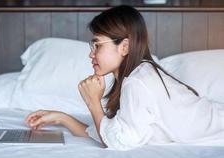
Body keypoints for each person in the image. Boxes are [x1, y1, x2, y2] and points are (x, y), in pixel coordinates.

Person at [25, 5, 224, 150]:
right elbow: (108, 132)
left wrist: (93, 102)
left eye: (98, 45)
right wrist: (62, 118)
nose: (91, 54)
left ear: (125, 47)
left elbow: (118, 142)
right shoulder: (135, 77)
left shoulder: (138, 82)